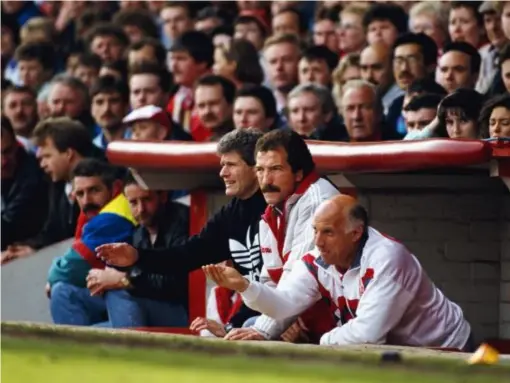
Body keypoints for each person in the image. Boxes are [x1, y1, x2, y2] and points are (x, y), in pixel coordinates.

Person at [204, 195, 473, 351]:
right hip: (405, 351)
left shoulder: (387, 259)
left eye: (328, 232)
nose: (318, 241)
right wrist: (245, 287)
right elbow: (284, 304)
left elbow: (368, 335)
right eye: (315, 231)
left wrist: (322, 340)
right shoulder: (319, 257)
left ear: (355, 233)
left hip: (448, 346)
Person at [97, 129, 267, 332]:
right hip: (251, 316)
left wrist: (234, 326)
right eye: (222, 165)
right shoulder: (232, 212)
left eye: (231, 165)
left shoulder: (276, 208)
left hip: (274, 315)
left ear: (255, 167)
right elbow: (187, 255)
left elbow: (284, 282)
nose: (222, 173)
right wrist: (137, 256)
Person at [1, 116, 48, 253]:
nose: (3, 162)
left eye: (7, 152)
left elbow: (8, 226)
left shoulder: (34, 175)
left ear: (17, 144)